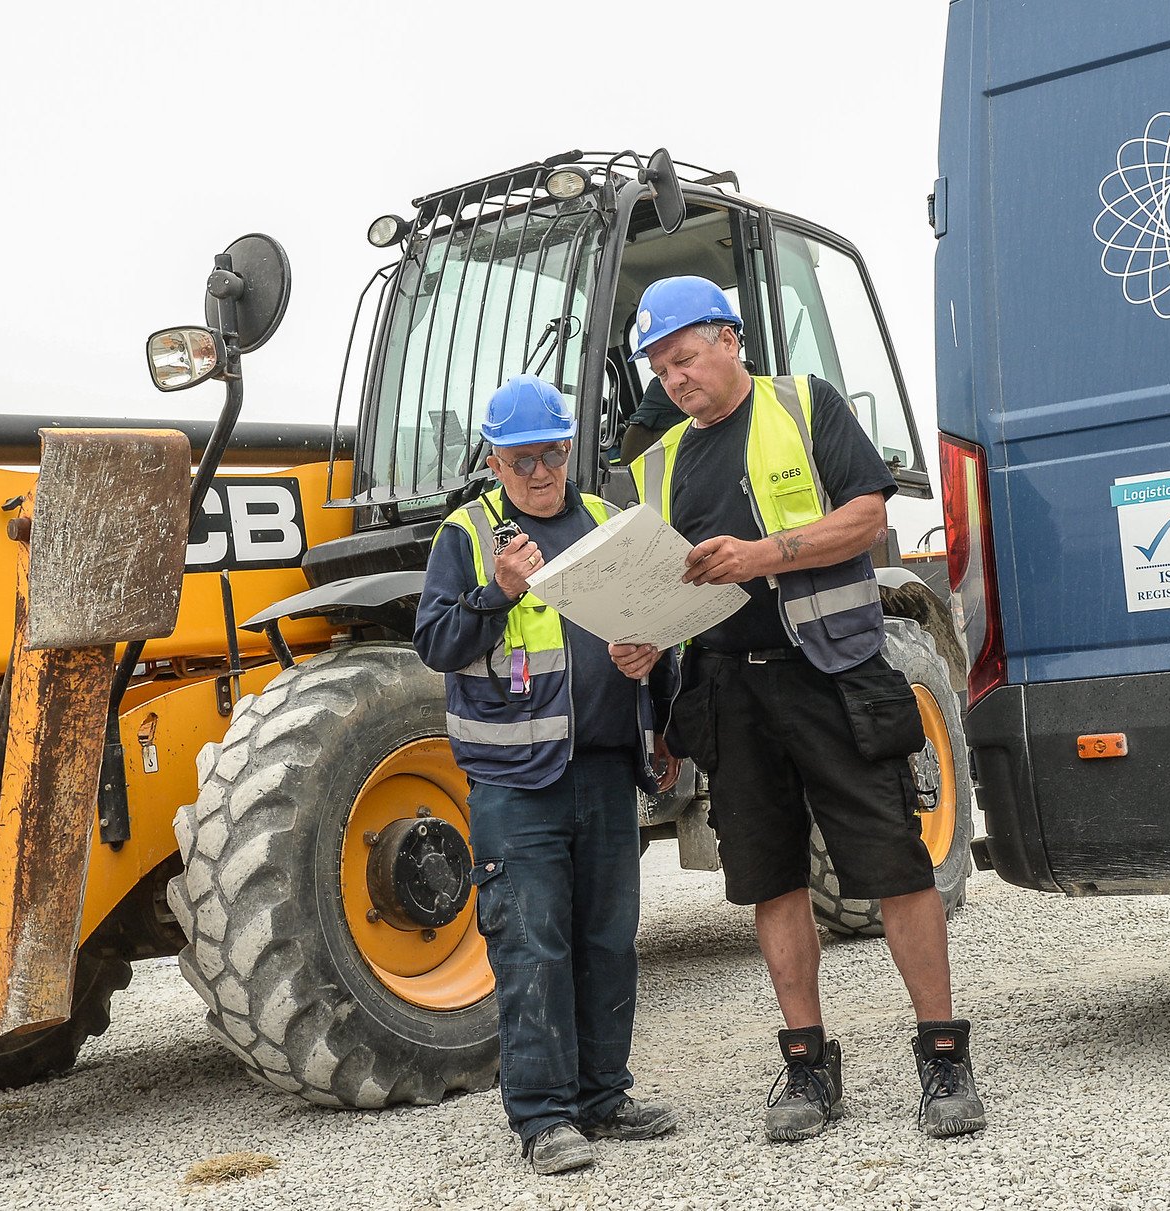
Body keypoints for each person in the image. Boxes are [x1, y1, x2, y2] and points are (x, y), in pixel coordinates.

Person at [625, 276, 988, 1142]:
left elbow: (865, 516)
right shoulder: (660, 462)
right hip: (729, 691)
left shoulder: (804, 404)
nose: (675, 379)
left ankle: (942, 1053)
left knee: (893, 862)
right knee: (770, 878)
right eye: (661, 368)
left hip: (829, 673)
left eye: (684, 358)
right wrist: (642, 644)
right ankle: (806, 1063)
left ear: (729, 338)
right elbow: (653, 582)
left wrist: (761, 554)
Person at [414, 374, 681, 1175]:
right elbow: (435, 643)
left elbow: (654, 622)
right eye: (524, 459)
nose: (542, 472)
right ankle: (542, 1117)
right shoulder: (467, 536)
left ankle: (604, 1096)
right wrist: (494, 595)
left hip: (603, 769)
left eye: (555, 454)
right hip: (514, 783)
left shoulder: (603, 521)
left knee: (607, 942)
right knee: (531, 946)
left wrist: (651, 660)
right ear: (494, 461)